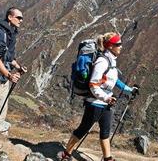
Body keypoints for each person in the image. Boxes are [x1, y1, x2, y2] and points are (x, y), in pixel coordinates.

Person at [58, 32, 138, 161]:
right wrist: (105, 98)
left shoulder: (111, 62)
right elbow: (93, 84)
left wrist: (129, 90)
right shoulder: (102, 61)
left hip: (106, 103)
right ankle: (66, 154)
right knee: (82, 130)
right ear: (110, 46)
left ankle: (107, 158)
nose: (121, 46)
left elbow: (113, 80)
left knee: (105, 132)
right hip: (95, 103)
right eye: (118, 44)